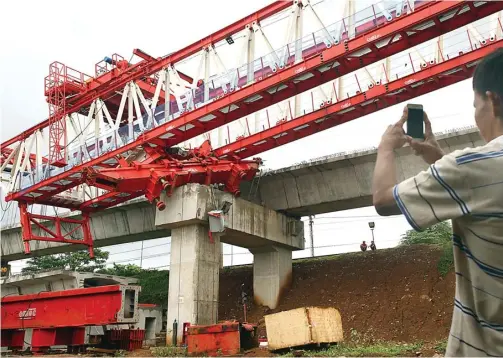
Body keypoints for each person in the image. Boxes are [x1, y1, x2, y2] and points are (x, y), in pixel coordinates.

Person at [372, 48, 503, 356]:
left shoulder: (470, 167)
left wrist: (385, 148)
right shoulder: (472, 172)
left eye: (476, 105)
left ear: (492, 101)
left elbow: (382, 198)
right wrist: (436, 157)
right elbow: (480, 192)